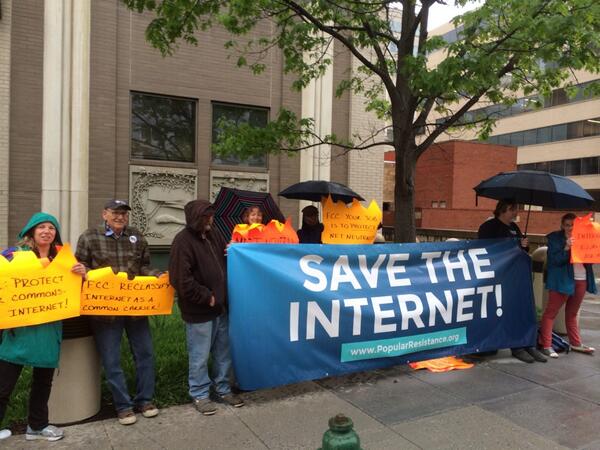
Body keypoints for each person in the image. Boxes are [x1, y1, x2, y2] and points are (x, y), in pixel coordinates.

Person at [0, 212, 86, 441]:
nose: (47, 231)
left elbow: (75, 290)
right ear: (31, 231)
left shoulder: (65, 259)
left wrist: (82, 274)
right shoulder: (13, 255)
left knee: (43, 381)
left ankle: (36, 426)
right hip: (20, 329)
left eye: (51, 227)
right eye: (41, 227)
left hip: (49, 330)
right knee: (3, 383)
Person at [75, 199, 160, 426]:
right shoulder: (89, 237)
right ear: (105, 214)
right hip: (105, 313)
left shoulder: (137, 236)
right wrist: (85, 272)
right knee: (112, 360)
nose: (120, 217)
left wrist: (158, 276)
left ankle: (145, 400)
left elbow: (144, 266)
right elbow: (80, 268)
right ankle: (123, 407)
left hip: (135, 309)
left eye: (123, 213)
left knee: (145, 355)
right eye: (115, 212)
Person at [169, 199, 244, 416]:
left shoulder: (213, 235)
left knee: (223, 352)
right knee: (199, 355)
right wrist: (207, 297)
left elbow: (224, 258)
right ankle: (200, 394)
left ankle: (222, 389)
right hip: (200, 311)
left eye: (211, 216)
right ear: (196, 219)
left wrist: (232, 250)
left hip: (221, 308)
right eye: (206, 217)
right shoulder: (182, 242)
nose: (211, 220)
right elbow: (180, 279)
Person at [478, 199, 547, 363]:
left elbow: (521, 250)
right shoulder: (489, 227)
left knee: (520, 310)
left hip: (515, 276)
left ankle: (527, 344)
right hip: (497, 277)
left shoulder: (514, 227)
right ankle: (515, 346)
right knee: (503, 311)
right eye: (514, 209)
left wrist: (523, 245)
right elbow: (485, 249)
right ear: (505, 209)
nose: (517, 213)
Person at [539, 213, 596, 358]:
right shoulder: (555, 239)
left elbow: (591, 259)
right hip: (561, 280)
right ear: (562, 226)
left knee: (572, 313)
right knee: (551, 313)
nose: (570, 228)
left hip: (581, 279)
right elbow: (554, 261)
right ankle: (546, 345)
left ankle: (576, 343)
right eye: (567, 225)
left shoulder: (584, 236)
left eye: (573, 225)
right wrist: (566, 247)